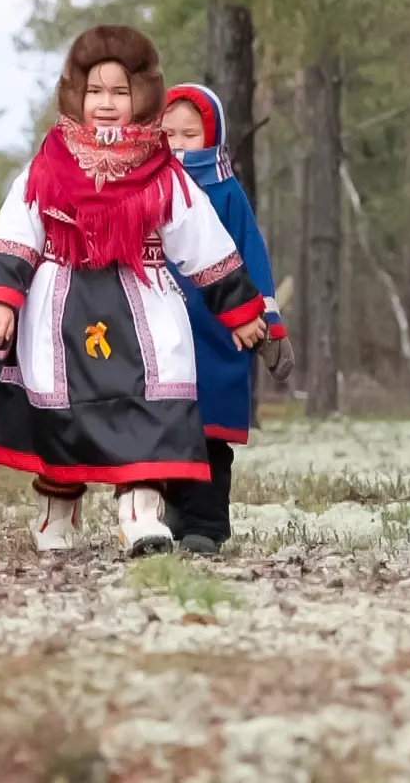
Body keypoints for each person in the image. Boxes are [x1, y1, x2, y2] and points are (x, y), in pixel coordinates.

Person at [0, 26, 268, 556]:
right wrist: (0, 295)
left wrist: (241, 307)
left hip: (143, 305)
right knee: (61, 419)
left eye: (119, 92)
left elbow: (202, 241)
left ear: (141, 98)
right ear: (76, 96)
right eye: (95, 92)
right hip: (62, 308)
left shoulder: (162, 173)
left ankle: (141, 518)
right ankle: (55, 518)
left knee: (150, 416)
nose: (106, 104)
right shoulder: (48, 166)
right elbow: (18, 230)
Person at [161, 83, 294, 556]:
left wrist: (269, 323)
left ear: (211, 137)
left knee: (208, 434)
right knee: (160, 429)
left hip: (218, 333)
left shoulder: (226, 193)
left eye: (189, 134)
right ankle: (167, 511)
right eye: (168, 132)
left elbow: (253, 259)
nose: (177, 143)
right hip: (158, 333)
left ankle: (206, 524)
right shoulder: (145, 188)